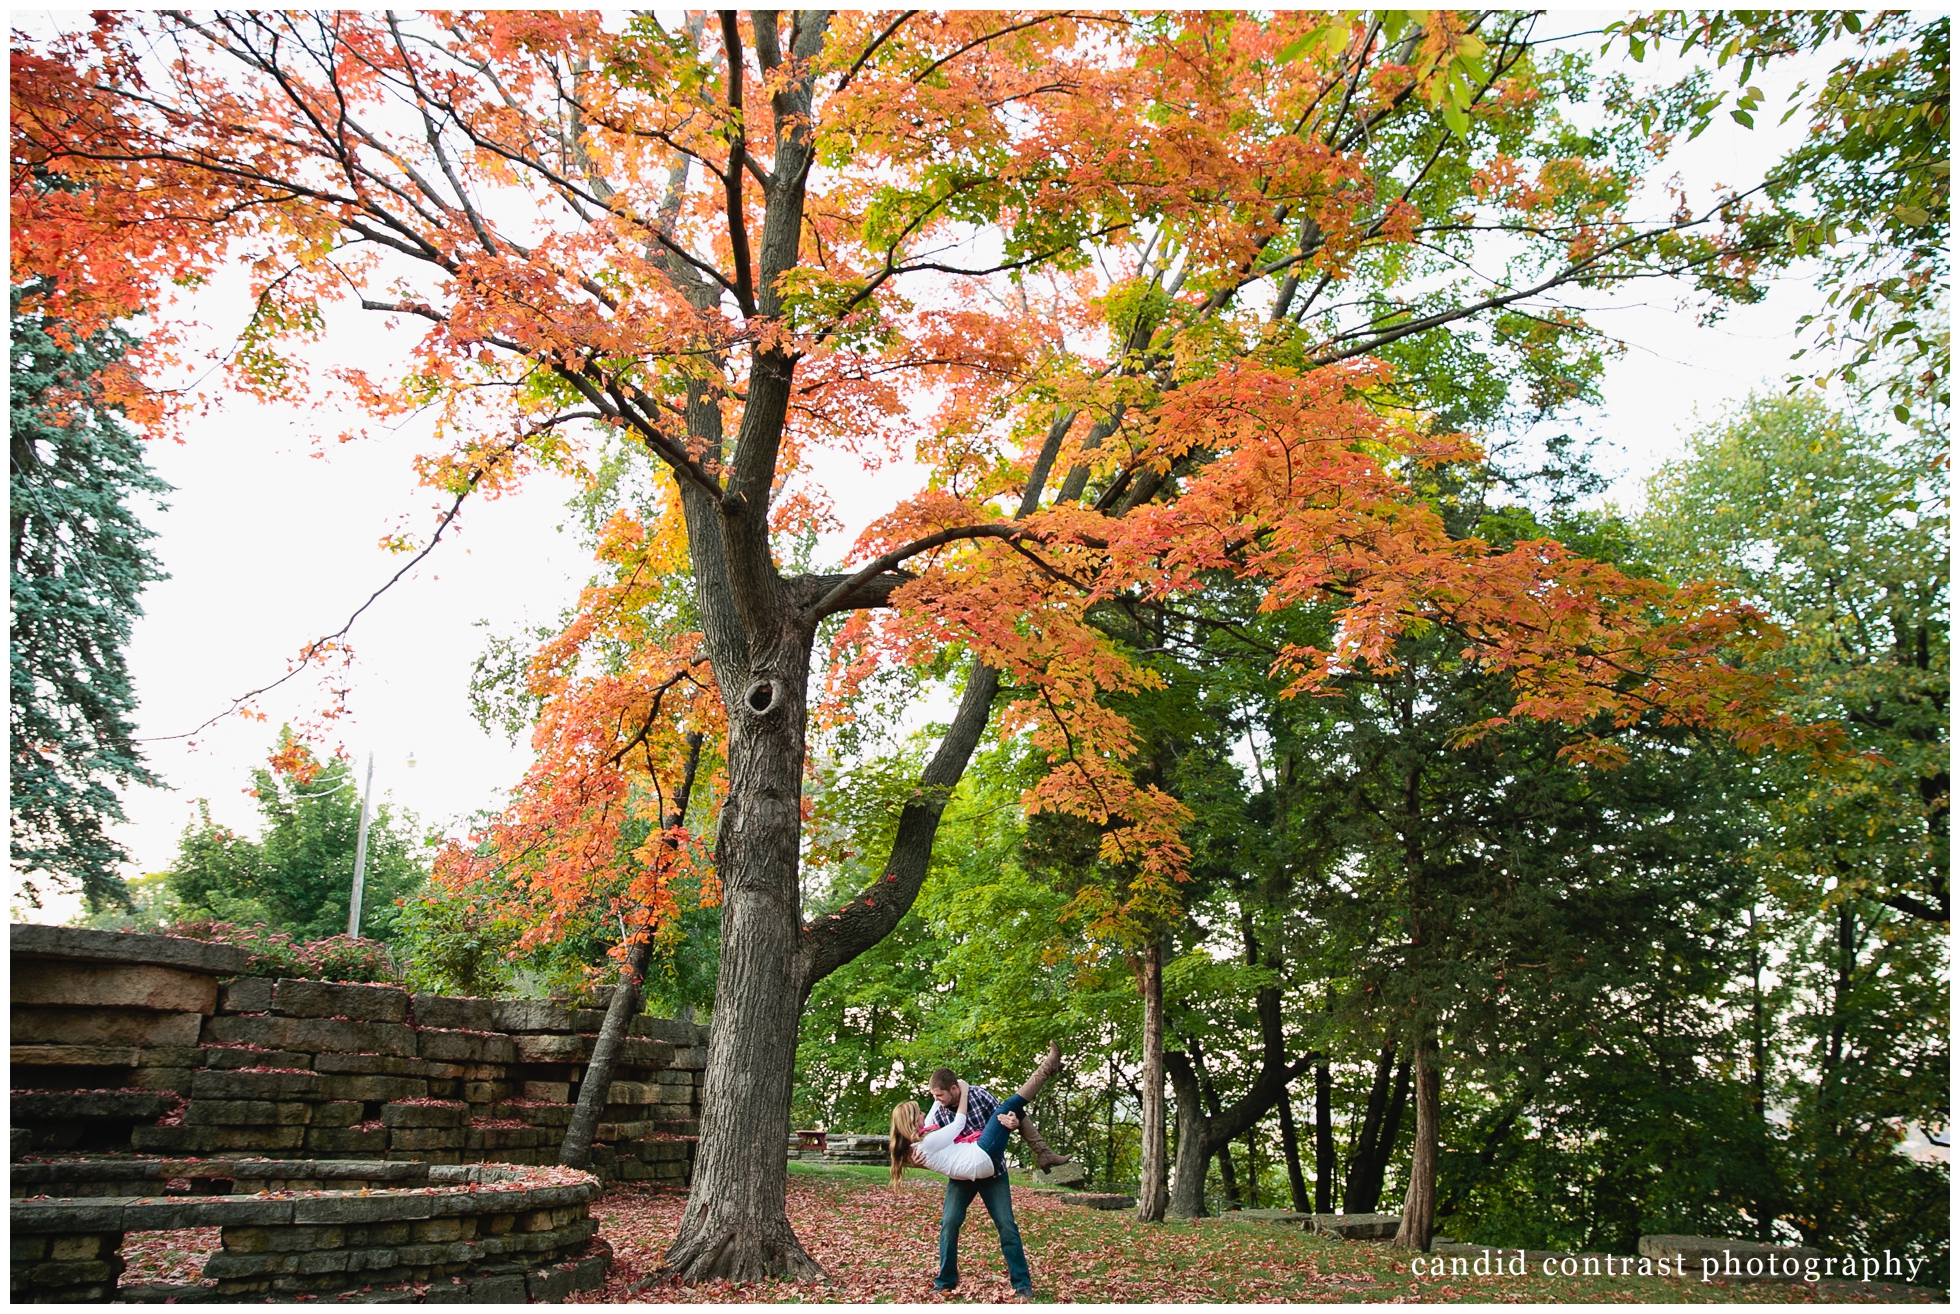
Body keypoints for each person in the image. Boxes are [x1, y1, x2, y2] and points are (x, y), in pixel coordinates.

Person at [888, 1043, 1060, 1298]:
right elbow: (943, 1132)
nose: (935, 1102)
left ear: (953, 1089)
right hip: (963, 1176)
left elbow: (1007, 1116)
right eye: (934, 1097)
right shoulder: (935, 1123)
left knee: (1006, 1225)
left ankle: (1022, 1284)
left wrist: (1012, 1123)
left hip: (992, 1172)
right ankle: (945, 1281)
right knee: (949, 1223)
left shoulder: (980, 1096)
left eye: (940, 1096)